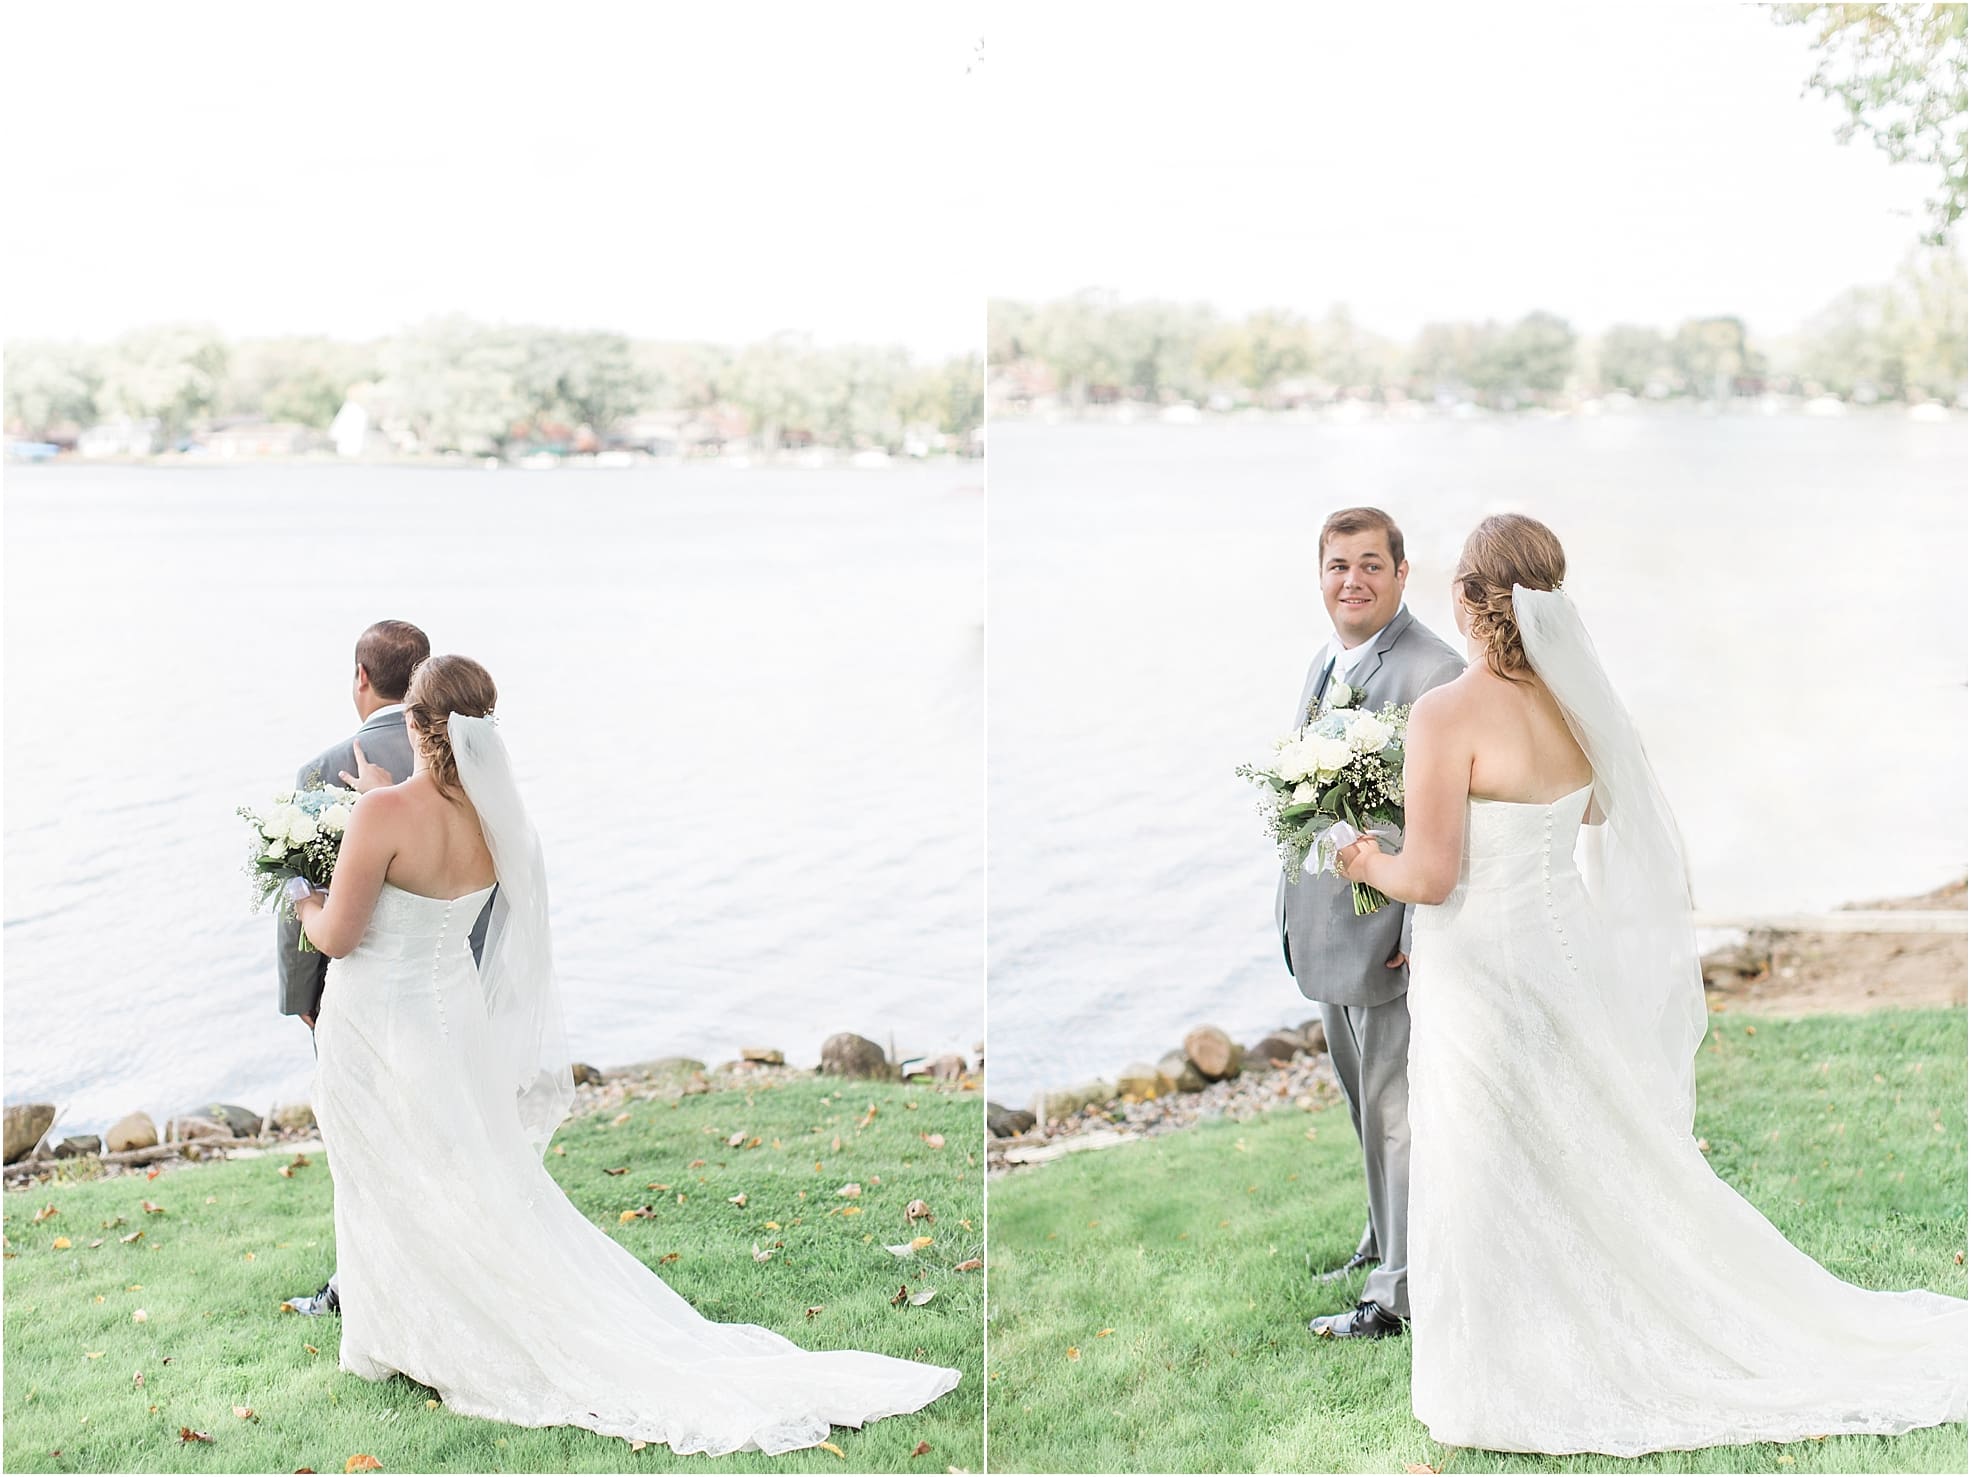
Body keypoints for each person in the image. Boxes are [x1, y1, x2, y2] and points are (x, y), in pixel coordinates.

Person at [1334, 514, 1965, 1452]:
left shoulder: (1446, 712)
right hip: (1561, 956)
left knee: (1488, 1157)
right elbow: (1596, 807)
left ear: (1466, 597)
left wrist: (1355, 853)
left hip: (1479, 971)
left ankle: (1511, 1371)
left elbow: (1427, 876)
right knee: (1583, 1149)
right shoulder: (1576, 700)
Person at [289, 654, 959, 1454]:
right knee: (465, 1171)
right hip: (450, 1018)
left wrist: (301, 886)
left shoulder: (383, 814)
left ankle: (401, 1332)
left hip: (380, 1021)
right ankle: (403, 1326)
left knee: (391, 1171)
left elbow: (338, 932)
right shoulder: (502, 822)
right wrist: (374, 807)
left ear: (411, 722)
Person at [1274, 507, 1463, 1340]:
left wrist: (1418, 934)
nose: (1351, 580)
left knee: (1396, 1113)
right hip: (1326, 931)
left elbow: (1454, 823)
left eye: (1368, 566)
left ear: (1399, 572)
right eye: (1336, 566)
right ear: (1319, 575)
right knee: (1362, 1104)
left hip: (1388, 935)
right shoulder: (1326, 660)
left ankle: (1398, 1292)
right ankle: (1382, 1237)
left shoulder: (1434, 671)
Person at [280, 619, 485, 1317]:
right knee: (442, 1148)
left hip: (372, 1004)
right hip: (454, 996)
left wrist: (303, 901)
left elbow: (331, 933)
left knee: (367, 1156)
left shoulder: (354, 785)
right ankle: (439, 1282)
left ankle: (365, 1295)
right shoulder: (494, 804)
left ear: (364, 680)